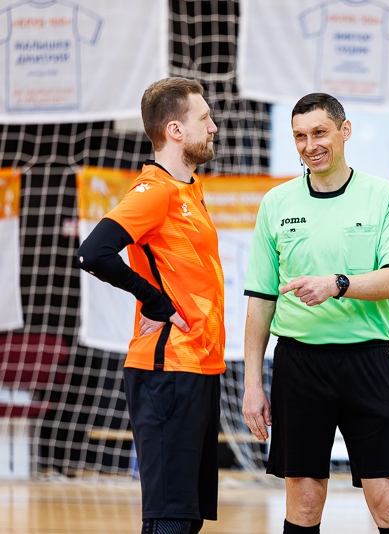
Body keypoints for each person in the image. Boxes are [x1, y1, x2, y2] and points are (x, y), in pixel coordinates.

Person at [241, 93, 389, 534]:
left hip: (369, 361)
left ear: (345, 131)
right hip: (299, 365)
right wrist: (252, 385)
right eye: (300, 136)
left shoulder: (383, 195)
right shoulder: (276, 203)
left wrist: (337, 284)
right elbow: (260, 300)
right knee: (303, 504)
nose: (309, 145)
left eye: (319, 132)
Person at [77, 77, 224, 534]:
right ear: (175, 130)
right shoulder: (155, 189)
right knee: (169, 520)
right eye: (204, 118)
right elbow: (93, 253)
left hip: (199, 367)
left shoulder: (190, 189)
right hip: (168, 371)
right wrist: (156, 303)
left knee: (186, 519)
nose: (213, 127)